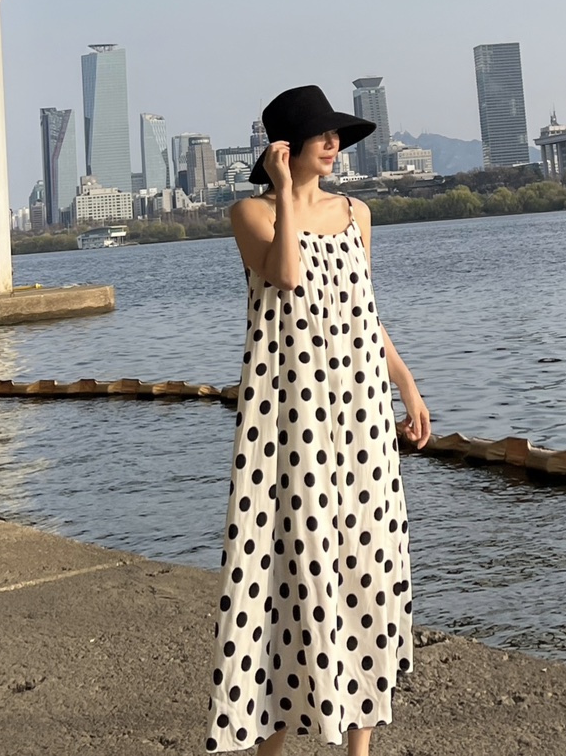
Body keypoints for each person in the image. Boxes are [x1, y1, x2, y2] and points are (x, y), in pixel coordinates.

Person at [206, 85, 431, 756]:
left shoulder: (357, 214)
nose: (334, 145)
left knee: (367, 564)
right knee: (288, 566)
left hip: (361, 410)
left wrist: (407, 386)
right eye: (321, 135)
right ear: (286, 147)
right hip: (290, 413)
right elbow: (286, 276)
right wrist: (283, 192)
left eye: (337, 136)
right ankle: (271, 742)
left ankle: (359, 749)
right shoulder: (250, 212)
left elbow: (365, 312)